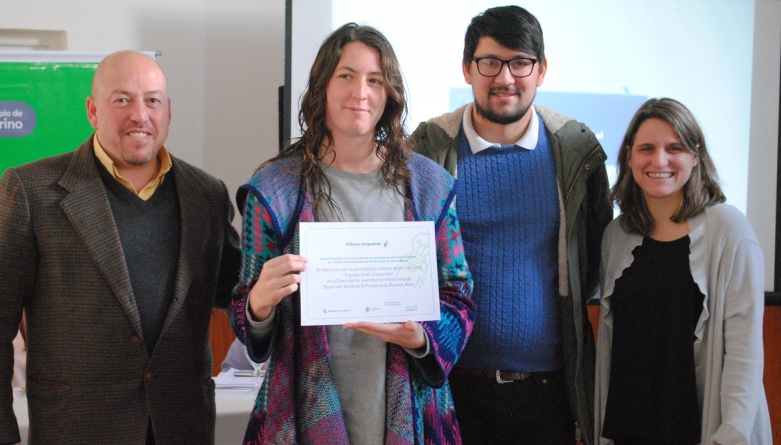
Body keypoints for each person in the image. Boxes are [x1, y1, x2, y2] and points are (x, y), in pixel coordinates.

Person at [230, 23, 475, 444]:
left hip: (410, 408)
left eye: (375, 80)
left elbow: (459, 295)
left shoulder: (429, 186)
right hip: (303, 410)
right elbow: (244, 311)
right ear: (323, 85)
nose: (360, 92)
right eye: (346, 75)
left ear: (389, 94)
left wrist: (422, 338)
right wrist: (259, 303)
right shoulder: (273, 190)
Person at [0, 50, 241, 445]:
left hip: (182, 426)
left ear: (168, 111)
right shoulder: (31, 190)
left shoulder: (206, 194)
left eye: (152, 100)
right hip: (77, 429)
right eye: (122, 99)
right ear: (93, 111)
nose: (140, 114)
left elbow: (234, 291)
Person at [411, 5, 611, 444]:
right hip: (449, 386)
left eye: (520, 62)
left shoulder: (576, 152)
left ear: (541, 70)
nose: (505, 77)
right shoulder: (428, 151)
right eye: (490, 62)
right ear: (467, 69)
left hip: (547, 393)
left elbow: (594, 255)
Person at [594, 98, 772, 445]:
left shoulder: (730, 231)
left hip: (704, 431)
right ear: (629, 157)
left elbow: (744, 352)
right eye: (646, 148)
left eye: (674, 148)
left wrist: (731, 434)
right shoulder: (616, 235)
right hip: (631, 429)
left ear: (695, 155)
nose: (659, 160)